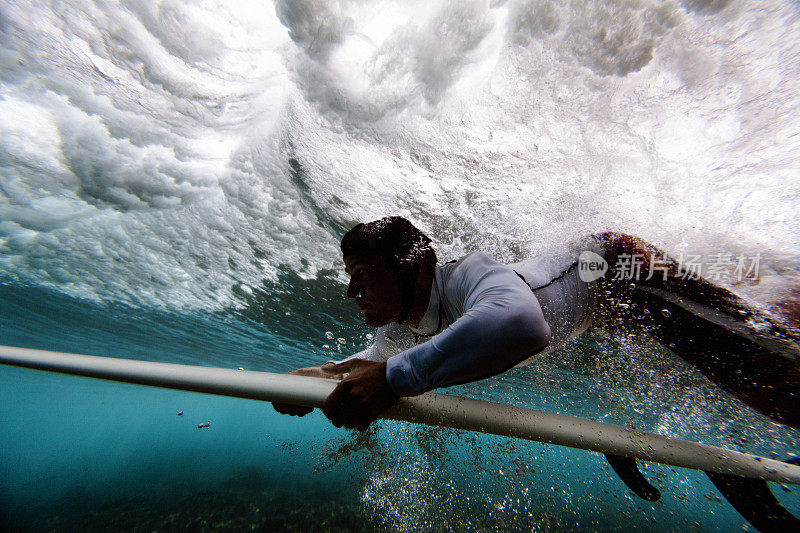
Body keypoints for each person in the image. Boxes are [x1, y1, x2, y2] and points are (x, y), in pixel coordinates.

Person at [273, 217, 800, 432]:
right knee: (711, 357)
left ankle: (779, 314)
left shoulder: (468, 274)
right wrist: (317, 378)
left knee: (744, 327)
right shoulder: (402, 327)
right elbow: (368, 362)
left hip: (613, 262)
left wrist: (391, 380)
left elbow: (523, 325)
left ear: (411, 265)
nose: (351, 291)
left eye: (363, 274)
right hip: (599, 308)